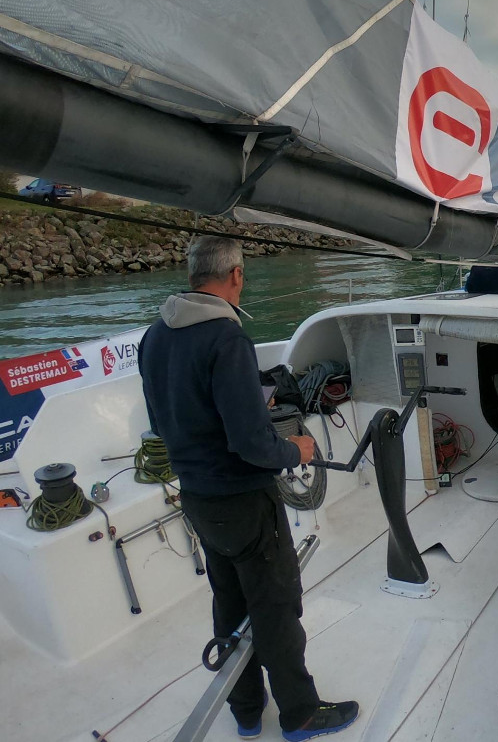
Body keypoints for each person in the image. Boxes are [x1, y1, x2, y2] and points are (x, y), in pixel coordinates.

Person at [138, 236, 359, 741]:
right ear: (235, 275)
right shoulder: (226, 338)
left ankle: (244, 710)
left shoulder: (155, 336)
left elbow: (160, 419)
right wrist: (296, 452)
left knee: (229, 600)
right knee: (276, 607)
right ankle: (300, 714)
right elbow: (250, 443)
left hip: (198, 498)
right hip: (243, 499)